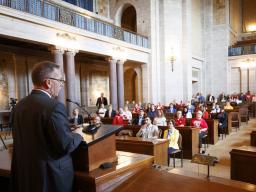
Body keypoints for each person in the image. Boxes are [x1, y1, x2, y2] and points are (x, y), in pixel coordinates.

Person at [11, 61, 83, 192]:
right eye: (60, 80)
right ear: (48, 82)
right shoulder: (54, 106)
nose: (61, 85)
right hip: (51, 177)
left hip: (26, 174)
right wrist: (78, 134)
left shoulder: (19, 106)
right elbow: (65, 145)